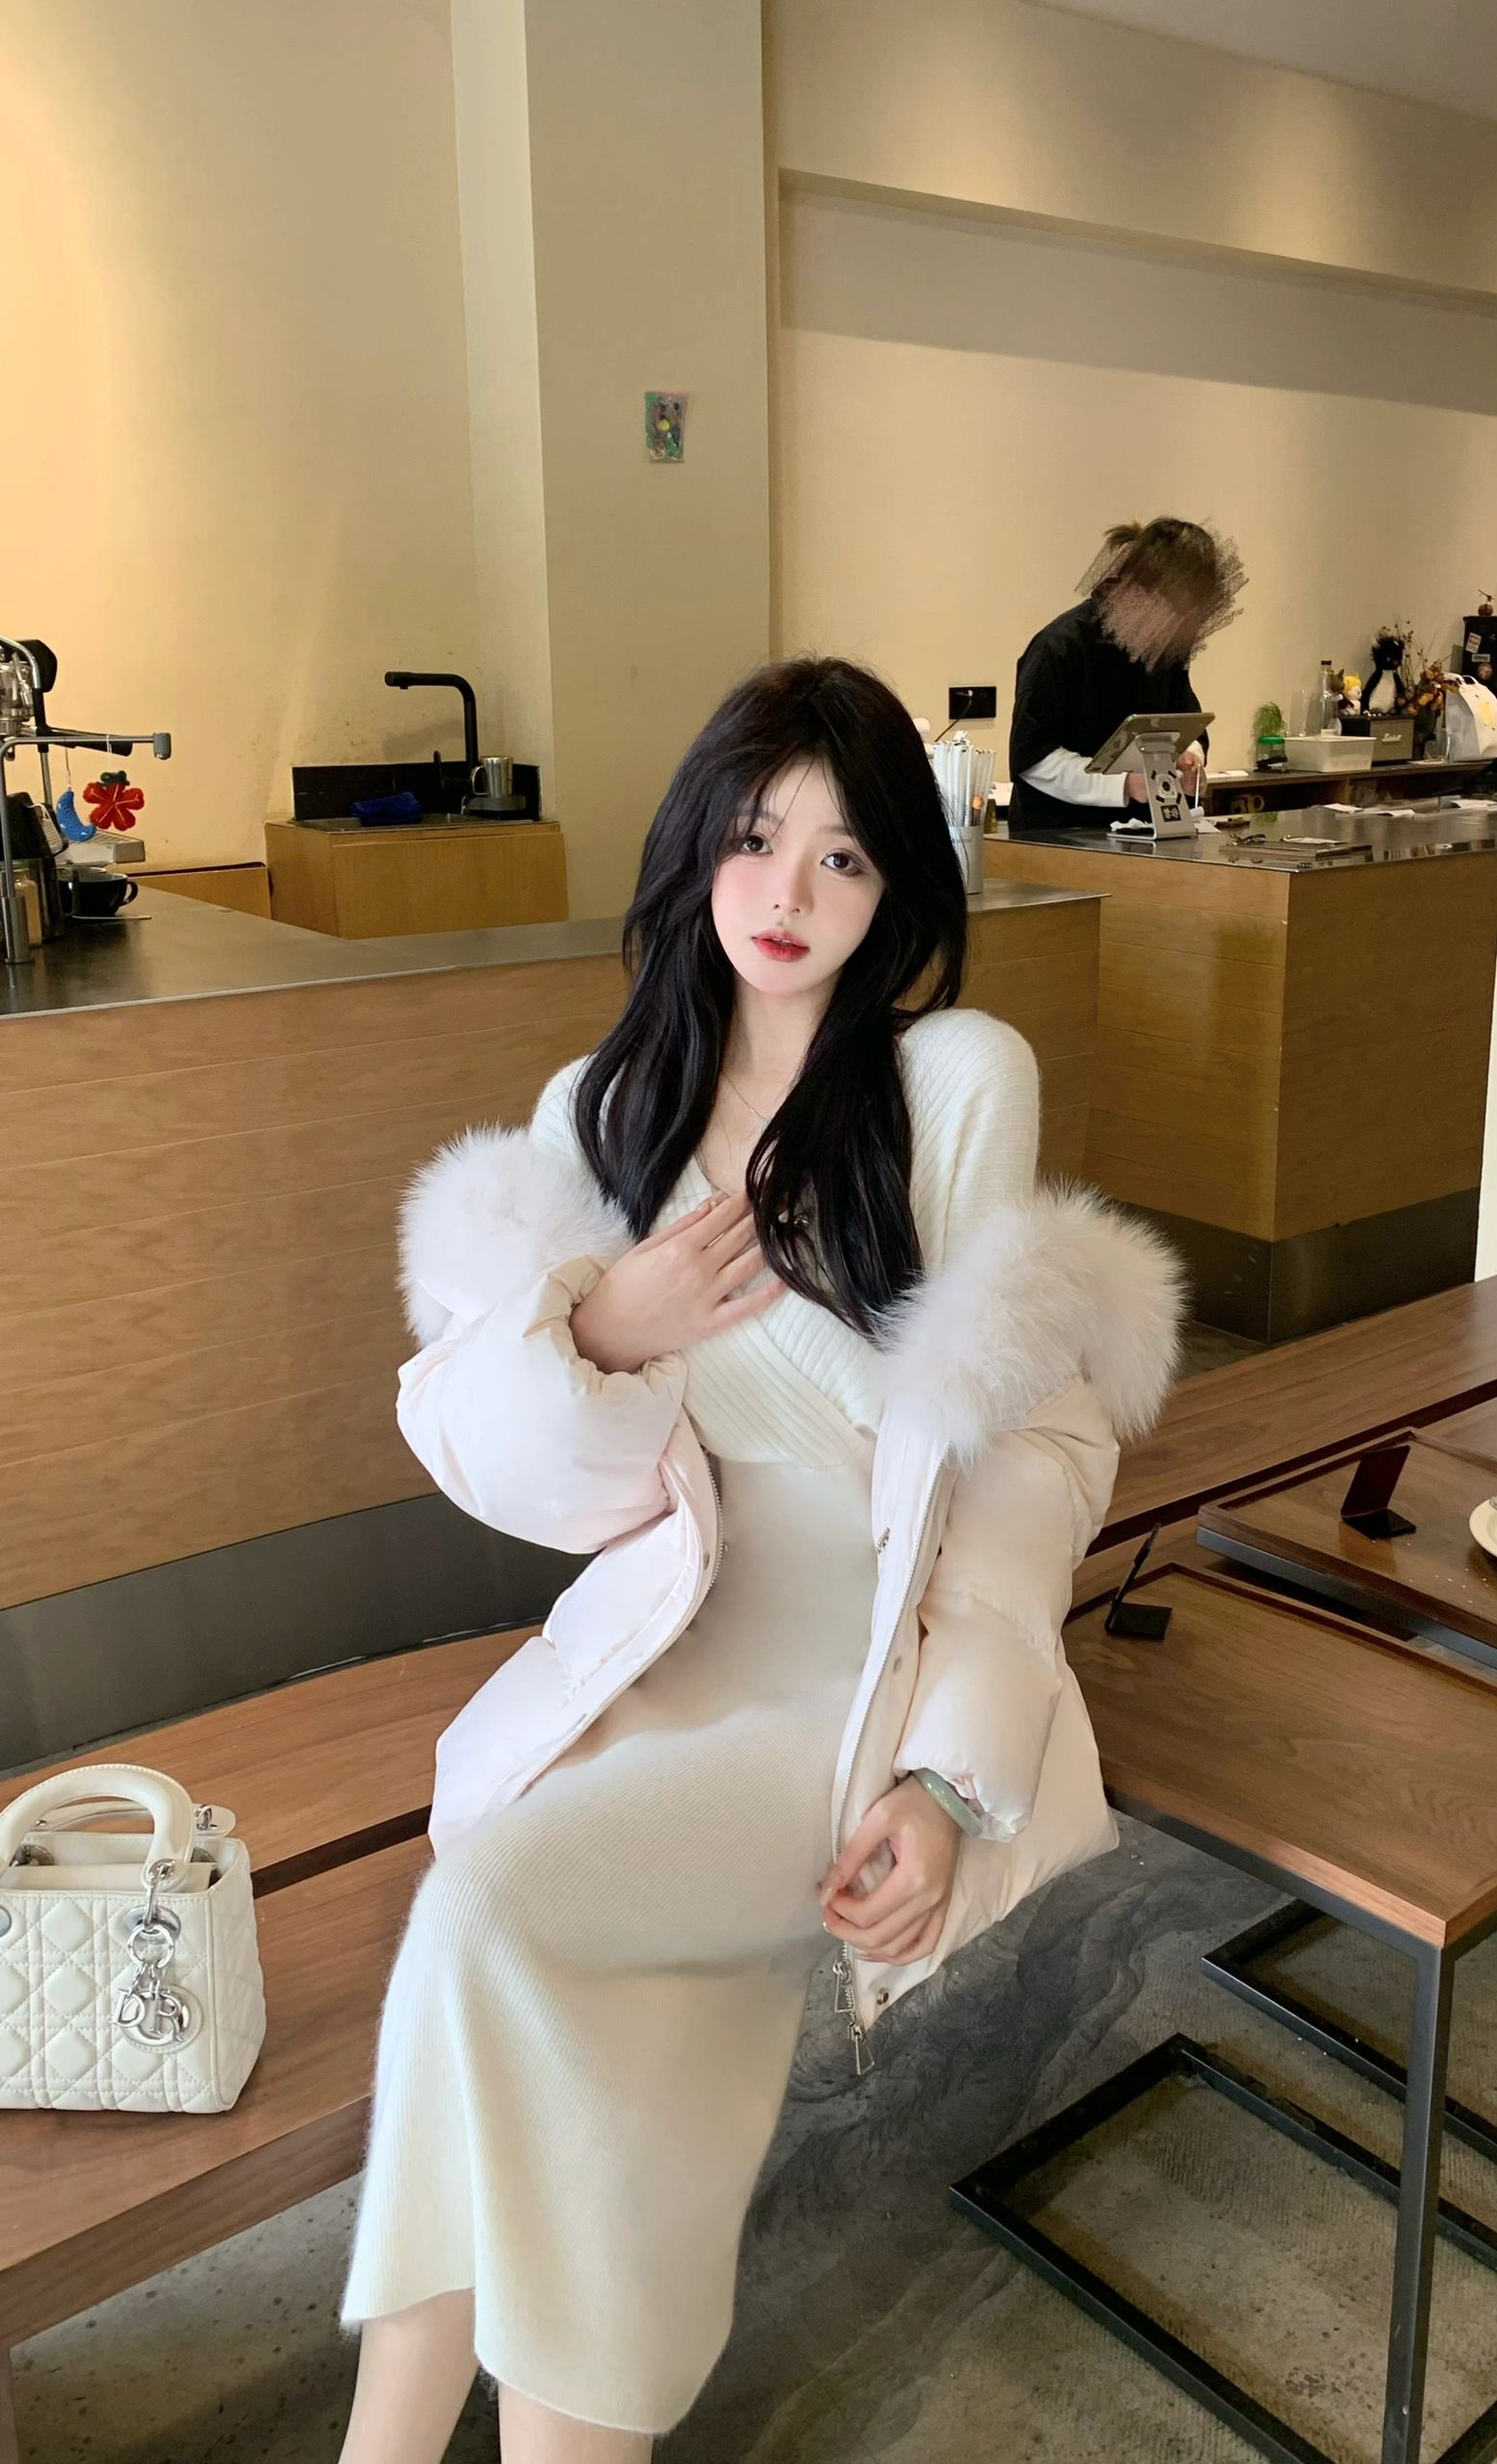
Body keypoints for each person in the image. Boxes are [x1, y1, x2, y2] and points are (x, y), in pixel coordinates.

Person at [335, 655, 1184, 2462]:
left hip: (854, 1682)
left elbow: (1019, 1471)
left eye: (844, 856)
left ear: (897, 892)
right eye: (753, 838)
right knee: (552, 2053)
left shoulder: (953, 1079)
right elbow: (530, 1487)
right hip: (667, 1641)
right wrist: (602, 1331)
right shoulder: (596, 1116)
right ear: (693, 851)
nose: (788, 892)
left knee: (486, 1919)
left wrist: (951, 1776)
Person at [1007, 515, 1246, 833]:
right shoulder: (1059, 647)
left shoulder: (1164, 650)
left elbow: (1186, 721)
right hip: (1058, 836)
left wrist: (1191, 757)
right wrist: (1122, 785)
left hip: (1138, 834)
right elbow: (1033, 760)